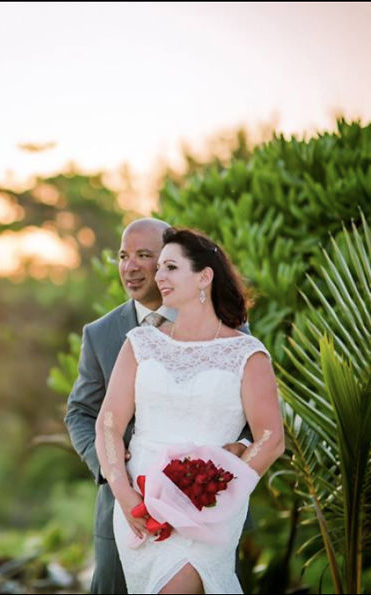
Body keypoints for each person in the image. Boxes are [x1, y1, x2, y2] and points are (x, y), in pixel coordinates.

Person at [64, 218, 251, 594]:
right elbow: (81, 412)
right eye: (123, 256)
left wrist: (241, 448)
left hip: (207, 506)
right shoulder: (101, 333)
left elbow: (250, 406)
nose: (130, 267)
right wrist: (113, 467)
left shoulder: (229, 329)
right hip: (128, 505)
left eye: (144, 255)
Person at [94, 227, 284, 594]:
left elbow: (271, 438)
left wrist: (221, 489)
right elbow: (108, 425)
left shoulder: (247, 353)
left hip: (209, 508)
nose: (159, 277)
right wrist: (124, 493)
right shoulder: (140, 342)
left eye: (171, 267)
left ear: (204, 277)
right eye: (159, 268)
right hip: (142, 504)